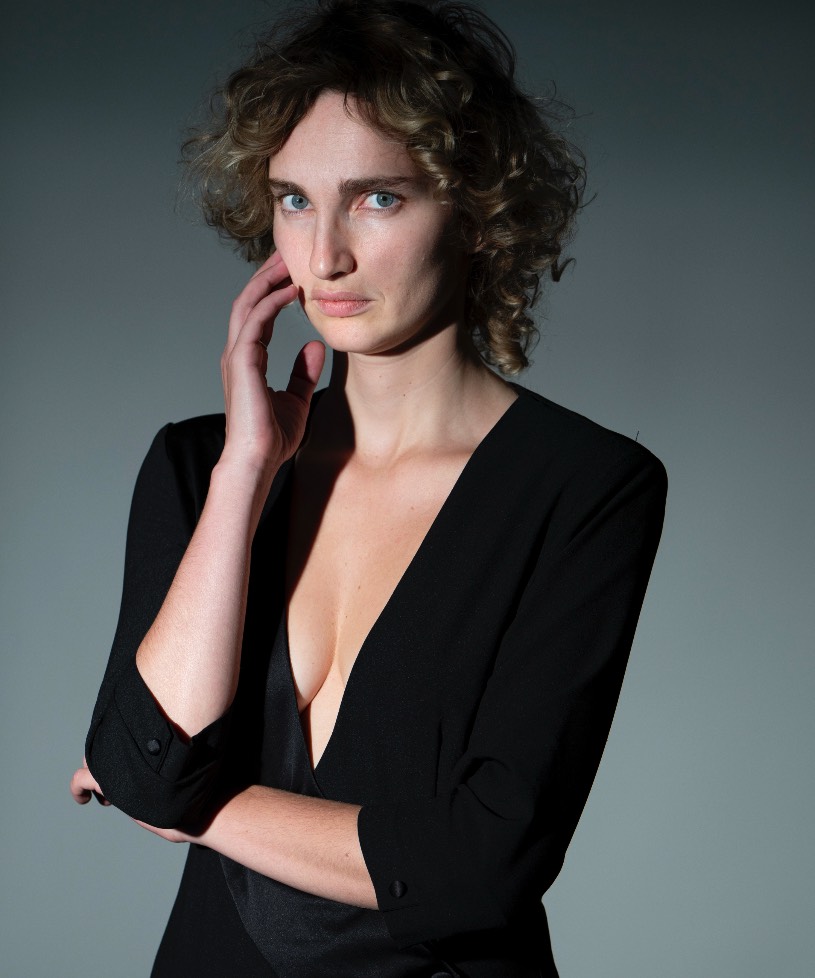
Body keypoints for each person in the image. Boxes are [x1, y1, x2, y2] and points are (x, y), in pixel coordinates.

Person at [70, 1, 667, 975]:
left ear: (476, 209)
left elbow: (480, 867)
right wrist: (244, 474)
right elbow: (149, 752)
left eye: (377, 198)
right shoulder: (199, 466)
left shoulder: (586, 488)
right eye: (294, 200)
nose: (324, 256)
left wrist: (192, 805)